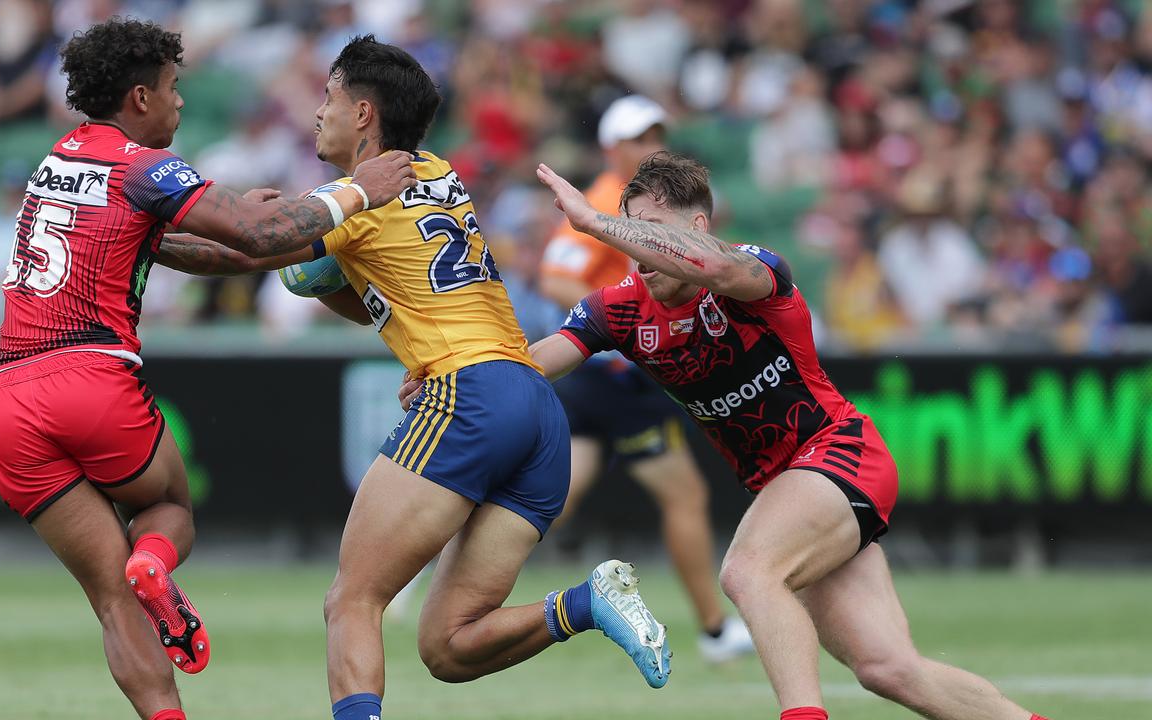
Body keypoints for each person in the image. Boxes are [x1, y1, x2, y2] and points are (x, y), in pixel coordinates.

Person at [159, 35, 673, 720]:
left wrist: (132, 234)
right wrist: (322, 279)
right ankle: (584, 604)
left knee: (351, 600)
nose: (318, 113)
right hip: (534, 404)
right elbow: (389, 287)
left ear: (364, 112)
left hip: (471, 396)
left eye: (329, 97)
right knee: (448, 647)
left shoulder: (354, 197)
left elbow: (232, 253)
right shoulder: (436, 172)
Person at [436, 151, 1051, 720]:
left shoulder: (750, 271)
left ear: (697, 226)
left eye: (649, 228)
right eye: (629, 229)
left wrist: (597, 222)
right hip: (793, 487)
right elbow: (541, 360)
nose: (634, 245)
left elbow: (722, 267)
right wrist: (455, 376)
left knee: (749, 571)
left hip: (838, 453)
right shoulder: (622, 306)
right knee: (888, 668)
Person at [0, 19, 415, 720]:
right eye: (174, 89)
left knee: (109, 598)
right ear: (140, 98)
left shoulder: (57, 160)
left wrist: (271, 225)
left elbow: (209, 249)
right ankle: (154, 558)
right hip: (88, 374)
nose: (182, 103)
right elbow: (252, 235)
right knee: (168, 510)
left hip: (6, 396)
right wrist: (355, 192)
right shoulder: (143, 166)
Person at [539, 94, 752, 662]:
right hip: (616, 374)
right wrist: (616, 328)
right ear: (612, 148)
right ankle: (713, 630)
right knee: (684, 494)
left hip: (604, 373)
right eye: (637, 138)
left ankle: (447, 539)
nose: (650, 145)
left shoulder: (638, 200)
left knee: (554, 499)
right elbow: (556, 277)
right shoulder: (610, 199)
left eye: (656, 133)